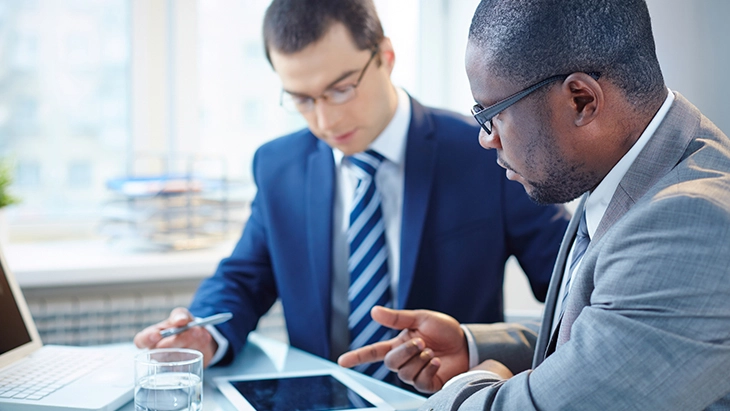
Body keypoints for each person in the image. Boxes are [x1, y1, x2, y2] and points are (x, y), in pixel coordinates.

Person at [133, 0, 569, 381]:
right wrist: (203, 333)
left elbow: (572, 283)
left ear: (385, 57)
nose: (325, 121)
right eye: (302, 99)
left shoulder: (485, 151)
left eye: (340, 89)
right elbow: (244, 279)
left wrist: (489, 352)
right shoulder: (278, 166)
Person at [338, 0, 730, 407]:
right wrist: (474, 348)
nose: (485, 138)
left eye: (492, 113)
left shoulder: (691, 223)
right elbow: (608, 337)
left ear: (581, 100)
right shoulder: (632, 166)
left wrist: (476, 381)